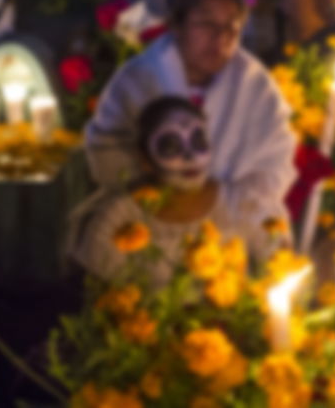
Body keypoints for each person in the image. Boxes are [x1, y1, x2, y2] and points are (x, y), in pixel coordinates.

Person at [85, 0, 296, 228]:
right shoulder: (139, 78)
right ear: (176, 25)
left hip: (232, 228)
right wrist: (166, 197)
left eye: (232, 27)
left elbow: (275, 163)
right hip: (151, 223)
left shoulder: (257, 88)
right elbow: (107, 151)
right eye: (207, 23)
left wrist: (216, 203)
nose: (220, 36)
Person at [70, 97, 276, 284]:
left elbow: (280, 272)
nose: (191, 158)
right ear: (145, 160)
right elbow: (99, 301)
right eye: (170, 146)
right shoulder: (116, 219)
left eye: (198, 141)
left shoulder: (243, 202)